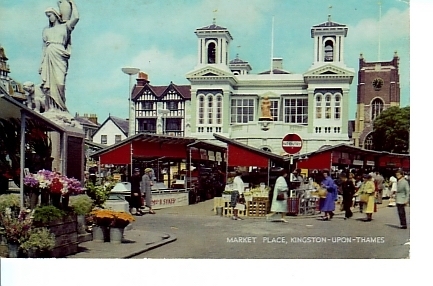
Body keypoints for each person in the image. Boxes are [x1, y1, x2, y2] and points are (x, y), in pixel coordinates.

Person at [39, 0, 79, 112]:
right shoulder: (46, 31)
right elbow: (44, 48)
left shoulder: (65, 27)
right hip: (49, 55)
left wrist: (72, 3)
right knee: (48, 84)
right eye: (48, 16)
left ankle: (61, 107)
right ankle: (51, 108)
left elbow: (76, 18)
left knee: (60, 83)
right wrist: (41, 64)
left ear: (56, 15)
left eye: (51, 15)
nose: (50, 18)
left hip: (60, 54)